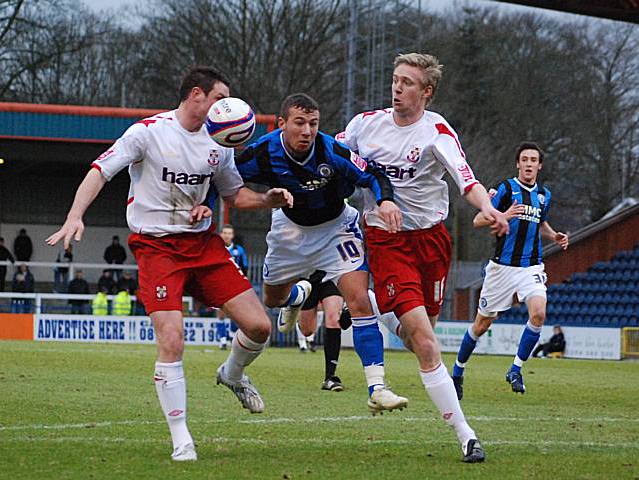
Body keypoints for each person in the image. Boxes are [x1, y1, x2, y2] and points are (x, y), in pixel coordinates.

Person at [46, 66, 293, 462]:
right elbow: (100, 170)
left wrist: (268, 200)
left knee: (260, 325)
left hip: (203, 246)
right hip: (157, 247)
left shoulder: (220, 142)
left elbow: (235, 195)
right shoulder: (148, 132)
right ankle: (182, 437)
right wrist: (75, 215)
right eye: (218, 97)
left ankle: (231, 374)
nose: (224, 106)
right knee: (173, 339)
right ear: (196, 95)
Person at [339, 53, 511, 463]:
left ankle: (373, 305)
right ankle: (466, 434)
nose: (397, 88)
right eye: (396, 80)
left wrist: (485, 207)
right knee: (428, 342)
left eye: (408, 83)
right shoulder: (366, 125)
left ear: (427, 92)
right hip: (386, 239)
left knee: (419, 336)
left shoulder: (436, 131)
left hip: (432, 242)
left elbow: (466, 180)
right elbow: (333, 155)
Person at [235, 93, 407, 414]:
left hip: (336, 230)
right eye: (299, 123)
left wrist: (385, 200)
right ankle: (297, 297)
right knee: (272, 300)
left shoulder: (332, 150)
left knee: (358, 300)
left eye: (313, 124)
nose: (307, 131)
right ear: (282, 123)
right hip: (289, 233)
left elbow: (372, 174)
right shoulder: (262, 152)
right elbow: (228, 179)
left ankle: (377, 386)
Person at [452, 141, 569, 398]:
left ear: (539, 165)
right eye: (524, 159)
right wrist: (503, 215)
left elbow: (540, 224)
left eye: (533, 160)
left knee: (538, 313)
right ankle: (458, 372)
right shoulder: (506, 189)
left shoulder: (544, 196)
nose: (528, 164)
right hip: (502, 268)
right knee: (481, 324)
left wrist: (554, 236)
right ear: (518, 163)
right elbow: (478, 220)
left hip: (531, 266)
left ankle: (515, 369)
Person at [298, 271, 345, 391]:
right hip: (307, 276)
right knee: (307, 330)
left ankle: (330, 378)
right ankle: (293, 305)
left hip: (330, 273)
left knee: (334, 319)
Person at [216, 224, 248, 349]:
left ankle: (231, 336)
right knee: (221, 312)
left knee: (236, 313)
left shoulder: (239, 250)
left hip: (235, 285)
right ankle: (223, 340)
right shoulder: (216, 249)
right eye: (224, 233)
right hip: (219, 284)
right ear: (220, 234)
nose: (227, 235)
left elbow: (245, 267)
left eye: (229, 233)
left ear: (232, 236)